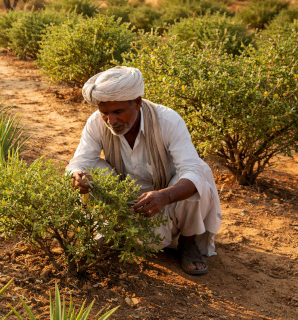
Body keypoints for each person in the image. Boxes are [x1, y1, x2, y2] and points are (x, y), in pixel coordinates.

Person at [67, 66, 222, 275]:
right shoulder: (97, 122)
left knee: (199, 172)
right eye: (105, 113)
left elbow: (191, 168)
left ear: (138, 103)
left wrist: (165, 196)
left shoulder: (168, 120)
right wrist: (78, 176)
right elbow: (80, 161)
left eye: (118, 112)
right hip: (124, 197)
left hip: (167, 196)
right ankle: (111, 228)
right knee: (90, 167)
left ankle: (187, 242)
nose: (111, 121)